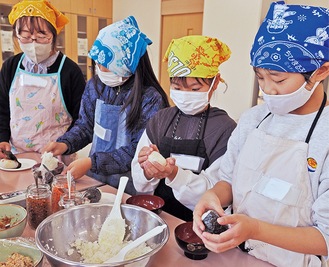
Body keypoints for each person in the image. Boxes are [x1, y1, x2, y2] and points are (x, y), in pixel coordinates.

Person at [193, 2, 329, 267]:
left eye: (278, 79)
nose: (268, 90)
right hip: (237, 255)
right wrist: (213, 197)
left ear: (321, 71)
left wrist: (255, 229)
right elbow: (228, 181)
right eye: (260, 77)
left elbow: (325, 237)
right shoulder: (253, 119)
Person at [43, 16, 169, 195]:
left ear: (127, 64)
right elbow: (85, 126)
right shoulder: (95, 86)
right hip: (96, 180)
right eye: (97, 64)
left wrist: (91, 162)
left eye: (106, 65)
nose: (100, 70)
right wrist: (64, 144)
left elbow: (138, 151)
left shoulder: (150, 99)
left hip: (131, 186)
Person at [131, 35, 237, 221]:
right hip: (159, 217)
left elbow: (217, 192)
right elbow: (141, 185)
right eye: (177, 88)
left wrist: (174, 174)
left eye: (195, 89)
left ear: (215, 83)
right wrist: (147, 171)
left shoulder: (224, 129)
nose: (185, 95)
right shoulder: (160, 120)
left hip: (198, 225)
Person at [0, 0, 86, 161]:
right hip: (16, 155)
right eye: (25, 36)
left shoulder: (70, 71)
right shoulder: (11, 66)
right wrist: (2, 138)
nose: (33, 43)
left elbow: (81, 119)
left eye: (41, 36)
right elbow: (2, 108)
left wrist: (65, 144)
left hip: (56, 157)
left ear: (53, 34)